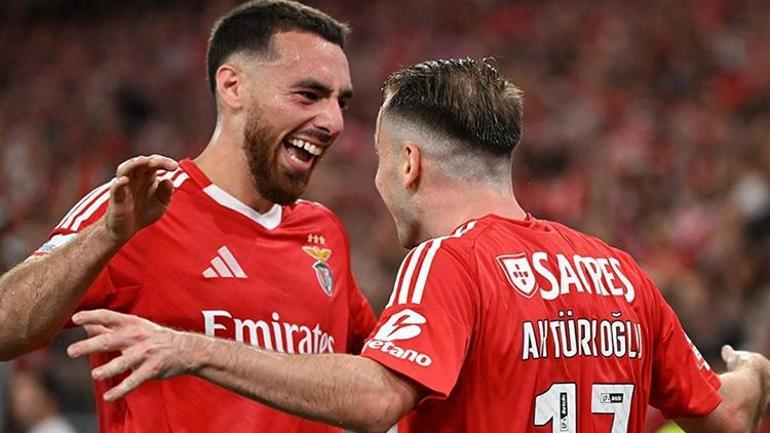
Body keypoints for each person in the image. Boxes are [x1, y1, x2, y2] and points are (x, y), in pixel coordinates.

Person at [66, 58, 770, 433]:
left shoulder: (449, 260)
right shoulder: (620, 273)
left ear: (409, 164)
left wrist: (194, 348)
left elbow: (378, 398)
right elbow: (729, 414)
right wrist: (755, 372)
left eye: (379, 160)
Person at [0, 1, 376, 432]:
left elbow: (377, 379)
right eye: (308, 95)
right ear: (233, 87)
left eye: (341, 102)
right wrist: (105, 237)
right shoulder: (138, 207)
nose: (333, 121)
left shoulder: (323, 232)